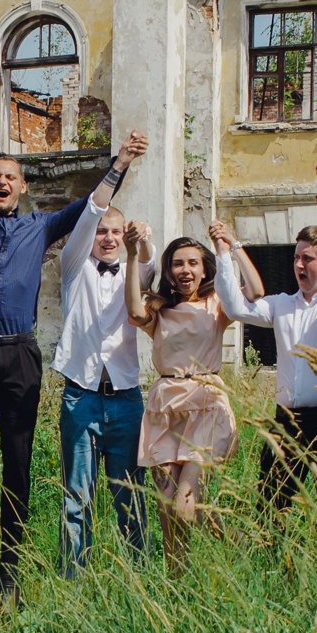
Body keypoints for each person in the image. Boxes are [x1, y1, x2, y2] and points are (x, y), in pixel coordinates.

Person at [0, 109, 146, 604]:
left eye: (10, 177)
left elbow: (93, 205)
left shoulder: (42, 225)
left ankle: (10, 571)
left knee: (17, 463)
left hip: (19, 355)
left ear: (23, 186)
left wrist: (119, 163)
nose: (1, 182)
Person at [211, 217, 317, 507]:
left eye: (308, 258)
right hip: (287, 419)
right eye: (296, 258)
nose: (298, 265)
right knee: (270, 505)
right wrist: (227, 250)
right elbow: (234, 307)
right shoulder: (282, 304)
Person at [123, 229, 238, 573]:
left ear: (204, 269)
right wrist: (132, 254)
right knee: (166, 506)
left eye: (193, 263)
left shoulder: (217, 303)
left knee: (185, 507)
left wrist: (230, 248)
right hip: (165, 407)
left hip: (206, 405)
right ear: (169, 270)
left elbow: (254, 294)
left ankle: (236, 540)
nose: (185, 270)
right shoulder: (159, 310)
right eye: (177, 264)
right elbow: (133, 310)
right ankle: (176, 581)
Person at [49, 202, 151, 577]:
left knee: (131, 497)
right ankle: (73, 581)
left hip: (126, 399)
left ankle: (138, 580)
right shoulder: (75, 268)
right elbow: (79, 236)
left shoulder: (133, 273)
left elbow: (150, 262)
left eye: (116, 232)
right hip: (81, 397)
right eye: (101, 231)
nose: (108, 238)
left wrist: (142, 240)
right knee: (77, 497)